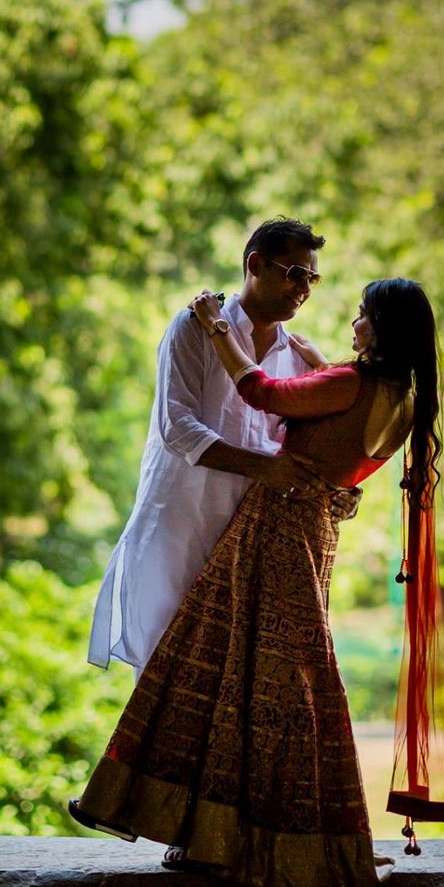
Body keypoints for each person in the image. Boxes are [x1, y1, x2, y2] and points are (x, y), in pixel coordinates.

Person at [69, 276, 444, 887]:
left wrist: (215, 326)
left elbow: (260, 391)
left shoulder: (349, 383)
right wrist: (321, 364)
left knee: (231, 665)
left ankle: (231, 832)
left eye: (362, 317)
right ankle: (246, 833)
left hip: (275, 527)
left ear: (383, 330)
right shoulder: (404, 399)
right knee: (278, 674)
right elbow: (344, 421)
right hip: (318, 532)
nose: (353, 325)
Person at [87, 217, 362, 680]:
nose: (305, 288)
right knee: (168, 666)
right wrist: (265, 468)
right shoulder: (194, 328)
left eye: (312, 277)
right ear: (255, 265)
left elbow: (298, 443)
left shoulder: (296, 354)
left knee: (234, 676)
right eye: (295, 273)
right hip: (182, 521)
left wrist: (336, 481)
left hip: (251, 533)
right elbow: (178, 428)